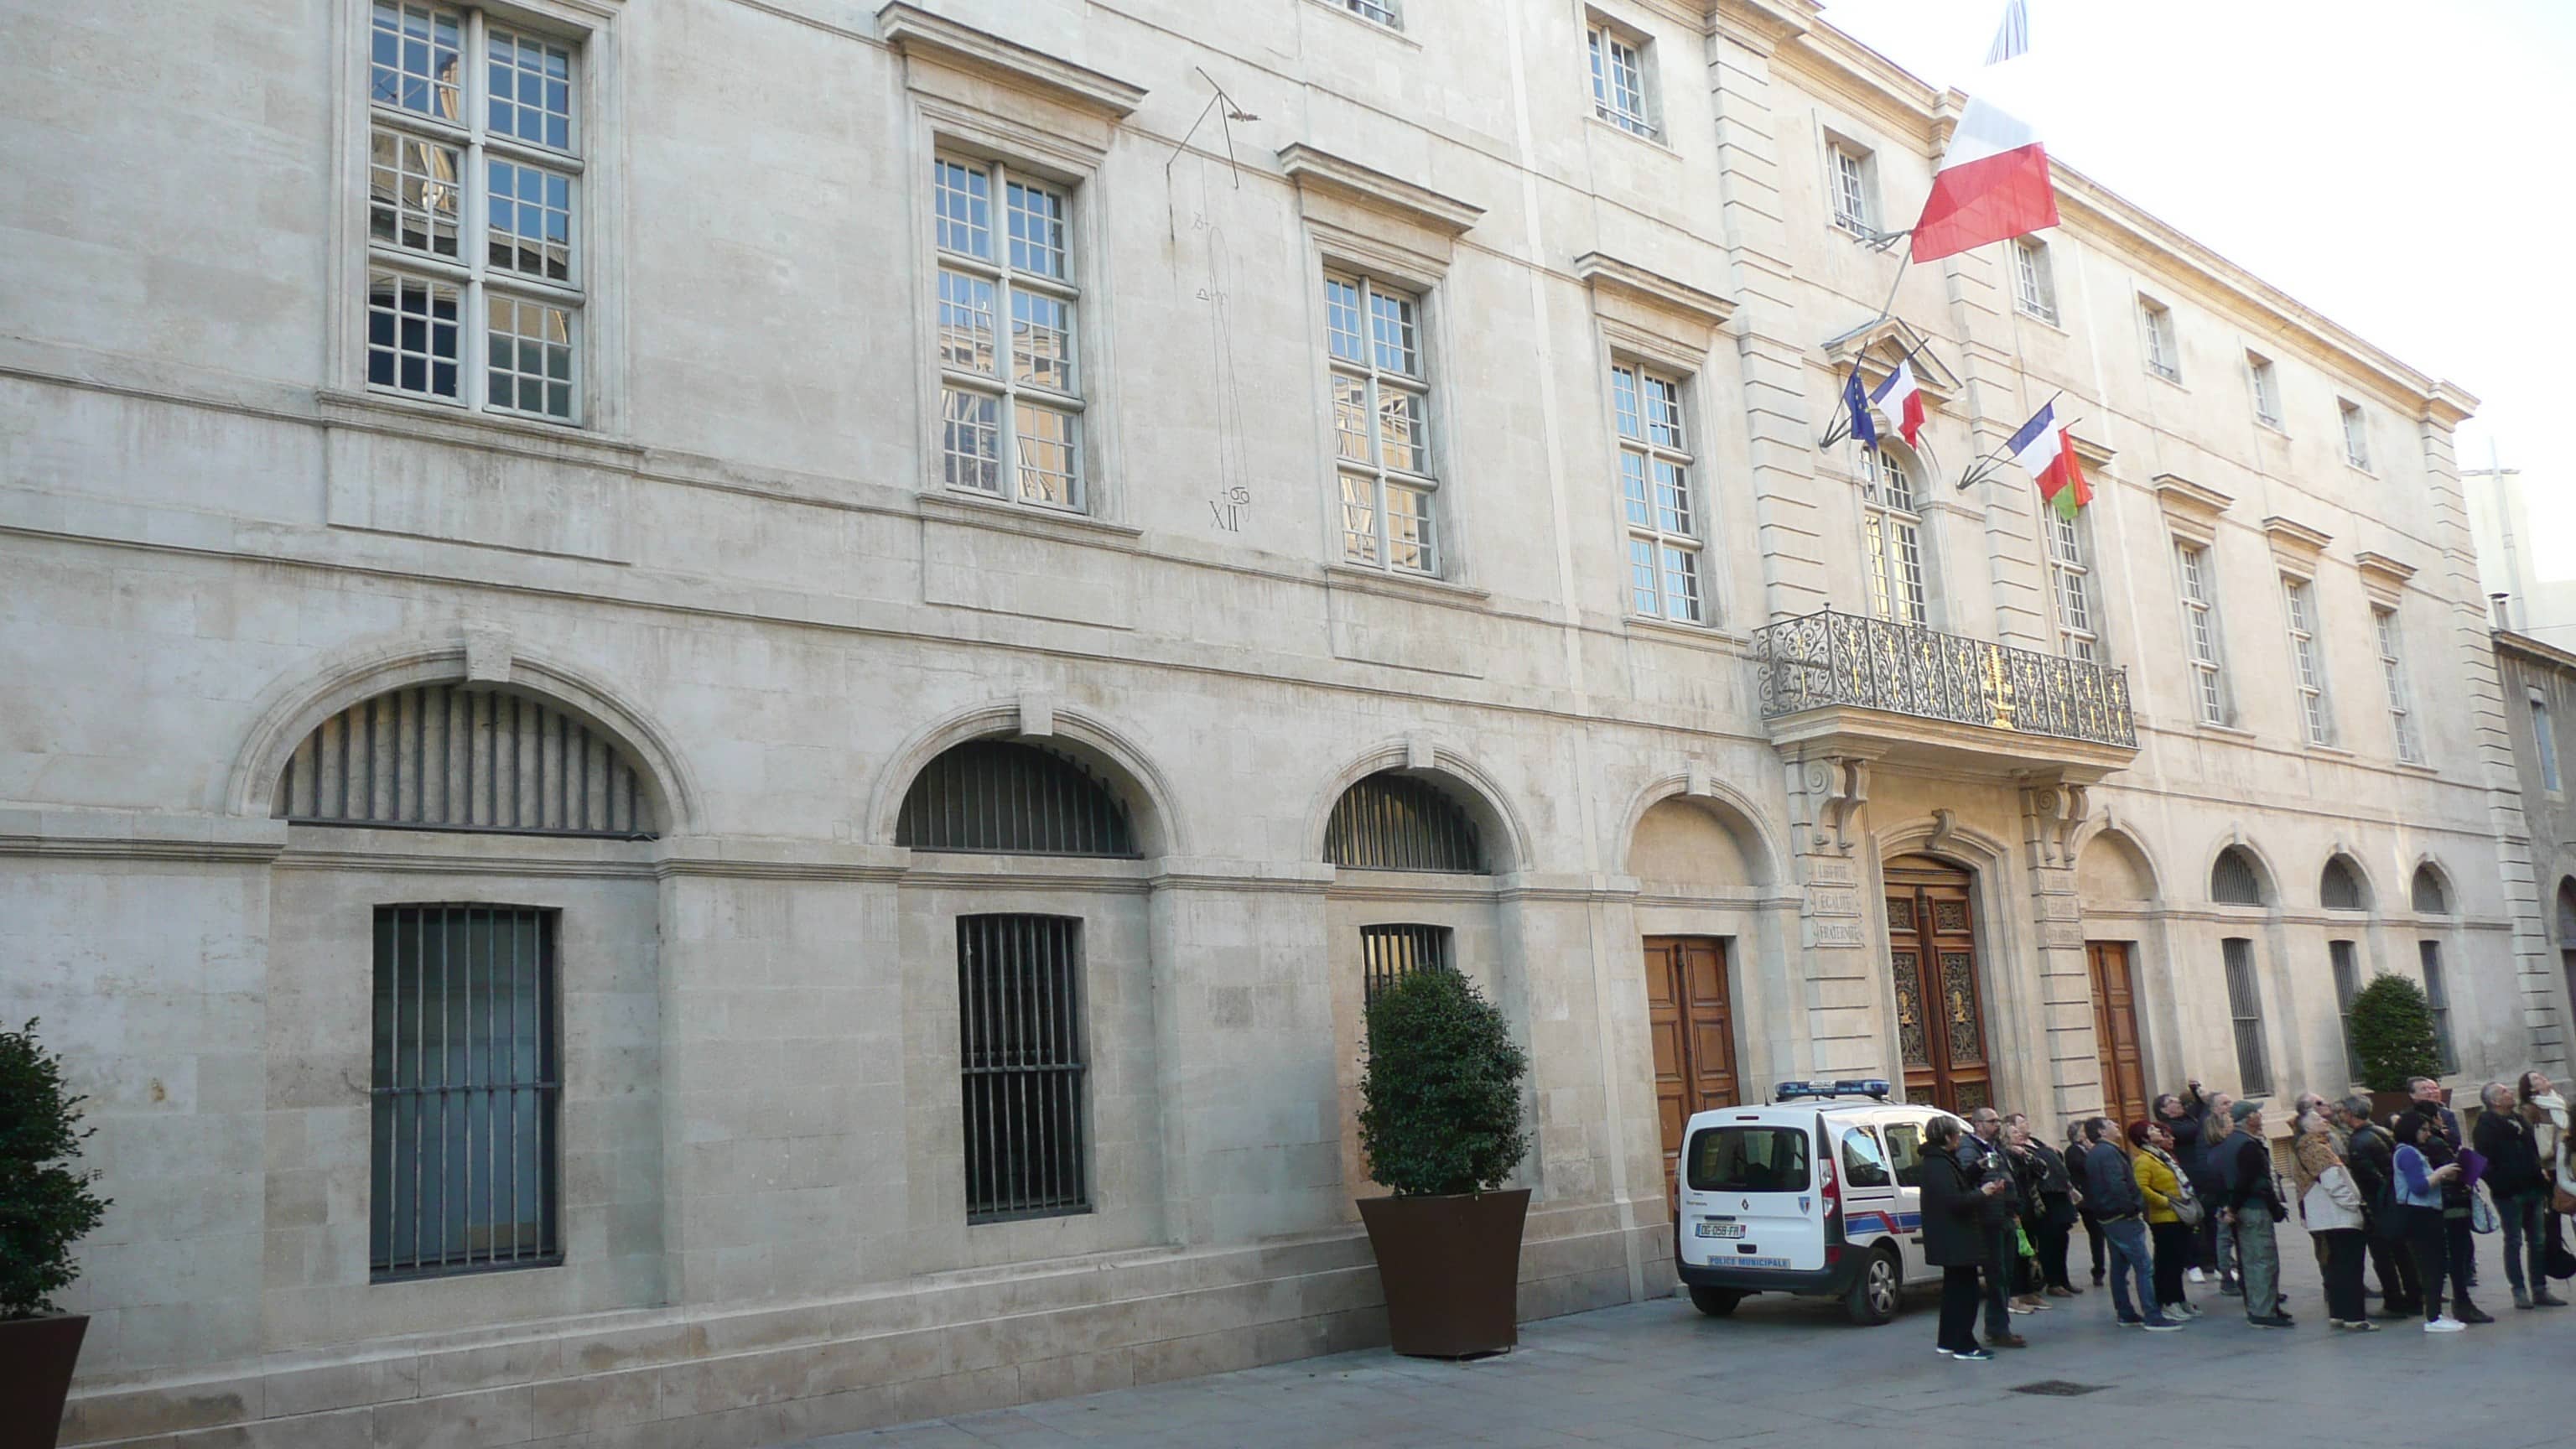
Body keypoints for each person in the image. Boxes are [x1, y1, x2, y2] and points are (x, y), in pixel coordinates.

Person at [2084, 1117, 2184, 1330]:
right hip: (2121, 1217)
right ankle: (2152, 1315)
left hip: (2108, 1216)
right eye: (2111, 1124)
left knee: (2119, 1266)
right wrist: (2131, 1208)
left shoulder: (2097, 1153)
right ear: (2102, 1132)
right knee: (2144, 1266)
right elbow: (2116, 1184)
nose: (2117, 1126)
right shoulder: (2108, 1153)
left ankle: (2125, 1312)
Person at [1921, 1115, 2003, 1361]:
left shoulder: (1940, 1160)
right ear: (1947, 1137)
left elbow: (1956, 1185)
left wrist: (1977, 1168)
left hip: (1952, 1237)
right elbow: (1955, 1201)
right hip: (1955, 1237)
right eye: (1956, 1134)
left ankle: (1947, 1341)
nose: (1959, 1138)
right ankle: (1965, 1344)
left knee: (1954, 1291)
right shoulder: (1938, 1164)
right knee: (1965, 1293)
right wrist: (1983, 1192)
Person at [2473, 1081, 2559, 1308]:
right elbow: (2482, 1163)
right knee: (2513, 1241)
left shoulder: (2519, 1119)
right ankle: (2519, 1290)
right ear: (2494, 1101)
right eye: (2504, 1092)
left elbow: (2532, 1149)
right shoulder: (2486, 1126)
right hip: (2509, 1194)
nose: (2510, 1093)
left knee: (2538, 1240)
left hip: (2533, 1187)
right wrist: (2501, 1184)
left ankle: (2540, 1288)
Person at [2337, 1095, 2423, 1318]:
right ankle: (2414, 1296)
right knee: (2403, 1252)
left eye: (2343, 1112)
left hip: (2379, 1205)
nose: (2341, 1116)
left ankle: (2395, 1300)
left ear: (2351, 1114)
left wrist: (2371, 1205)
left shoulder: (2358, 1142)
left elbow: (2370, 1178)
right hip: (2394, 1200)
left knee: (2384, 1256)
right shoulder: (2381, 1132)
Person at [2290, 1108, 2375, 1330]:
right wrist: (2355, 1204)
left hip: (2324, 1218)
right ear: (2307, 1127)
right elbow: (2333, 1182)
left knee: (2336, 1266)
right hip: (2339, 1216)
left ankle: (2338, 1313)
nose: (2323, 1120)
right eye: (2317, 1119)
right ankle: (2355, 1317)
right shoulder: (2318, 1149)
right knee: (2350, 1268)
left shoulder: (2306, 1147)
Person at [2393, 1111, 2472, 1332]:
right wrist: (2441, 1173)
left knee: (2435, 1264)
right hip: (2421, 1214)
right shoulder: (2408, 1153)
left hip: (2425, 1212)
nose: (2428, 1134)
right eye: (2424, 1130)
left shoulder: (2411, 1152)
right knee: (2431, 1265)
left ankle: (2435, 1314)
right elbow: (2418, 1186)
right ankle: (2434, 1317)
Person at [2218, 1099, 2293, 1327]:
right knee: (2262, 1260)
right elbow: (2252, 1181)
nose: (2260, 1117)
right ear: (2249, 1119)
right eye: (2257, 1114)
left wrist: (2229, 1207)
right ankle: (2263, 1311)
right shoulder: (2248, 1145)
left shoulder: (2230, 1142)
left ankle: (2265, 1306)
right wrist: (2273, 1207)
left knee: (2252, 1259)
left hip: (2243, 1207)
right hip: (2253, 1208)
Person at [2407, 1081, 2483, 1303]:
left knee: (2459, 1238)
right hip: (2446, 1196)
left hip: (2449, 1195)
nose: (2431, 1091)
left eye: (2433, 1088)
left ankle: (2465, 1272)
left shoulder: (2446, 1116)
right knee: (2451, 1239)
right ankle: (2455, 1292)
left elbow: (2456, 1141)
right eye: (2424, 1089)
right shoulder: (2420, 1142)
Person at [1960, 1106, 2027, 1348]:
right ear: (1978, 1124)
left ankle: (1998, 1326)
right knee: (1997, 1275)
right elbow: (1968, 1176)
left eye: (1998, 1120)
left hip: (2004, 1215)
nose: (1998, 1125)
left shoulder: (1996, 1147)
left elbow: (2006, 1174)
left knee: (2006, 1273)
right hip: (1989, 1218)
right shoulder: (1969, 1149)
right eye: (1992, 1121)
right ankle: (1999, 1329)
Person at [2128, 1117, 2200, 1320]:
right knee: (2167, 1262)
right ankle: (2168, 1302)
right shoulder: (2144, 1160)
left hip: (2180, 1215)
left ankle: (2179, 1299)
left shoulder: (2163, 1156)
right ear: (2144, 1137)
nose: (2158, 1132)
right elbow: (2142, 1187)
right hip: (2164, 1218)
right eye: (2152, 1129)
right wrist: (2165, 1202)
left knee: (2179, 1261)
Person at [2006, 1113, 2080, 1301]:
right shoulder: (2014, 1150)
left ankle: (2063, 1279)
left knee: (2062, 1239)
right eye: (2020, 1124)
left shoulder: (2036, 1142)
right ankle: (2053, 1281)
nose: (2025, 1125)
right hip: (2043, 1199)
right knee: (2049, 1242)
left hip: (2059, 1193)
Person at [2156, 1089, 2210, 1283]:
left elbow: (2201, 1109)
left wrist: (2196, 1092)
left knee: (2207, 1219)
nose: (2177, 1101)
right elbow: (2199, 1127)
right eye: (2171, 1101)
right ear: (2163, 1110)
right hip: (2186, 1176)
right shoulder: (2170, 1127)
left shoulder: (2190, 1118)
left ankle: (2211, 1260)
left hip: (2202, 1174)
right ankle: (2192, 1262)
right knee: (2191, 1221)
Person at [2066, 1120, 2106, 1286]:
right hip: (2087, 1202)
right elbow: (2083, 1166)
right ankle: (2098, 1270)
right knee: (2097, 1236)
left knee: (2106, 1235)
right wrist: (2091, 1152)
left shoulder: (2094, 1148)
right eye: (2084, 1130)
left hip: (2100, 1197)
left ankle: (2103, 1268)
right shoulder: (2072, 1151)